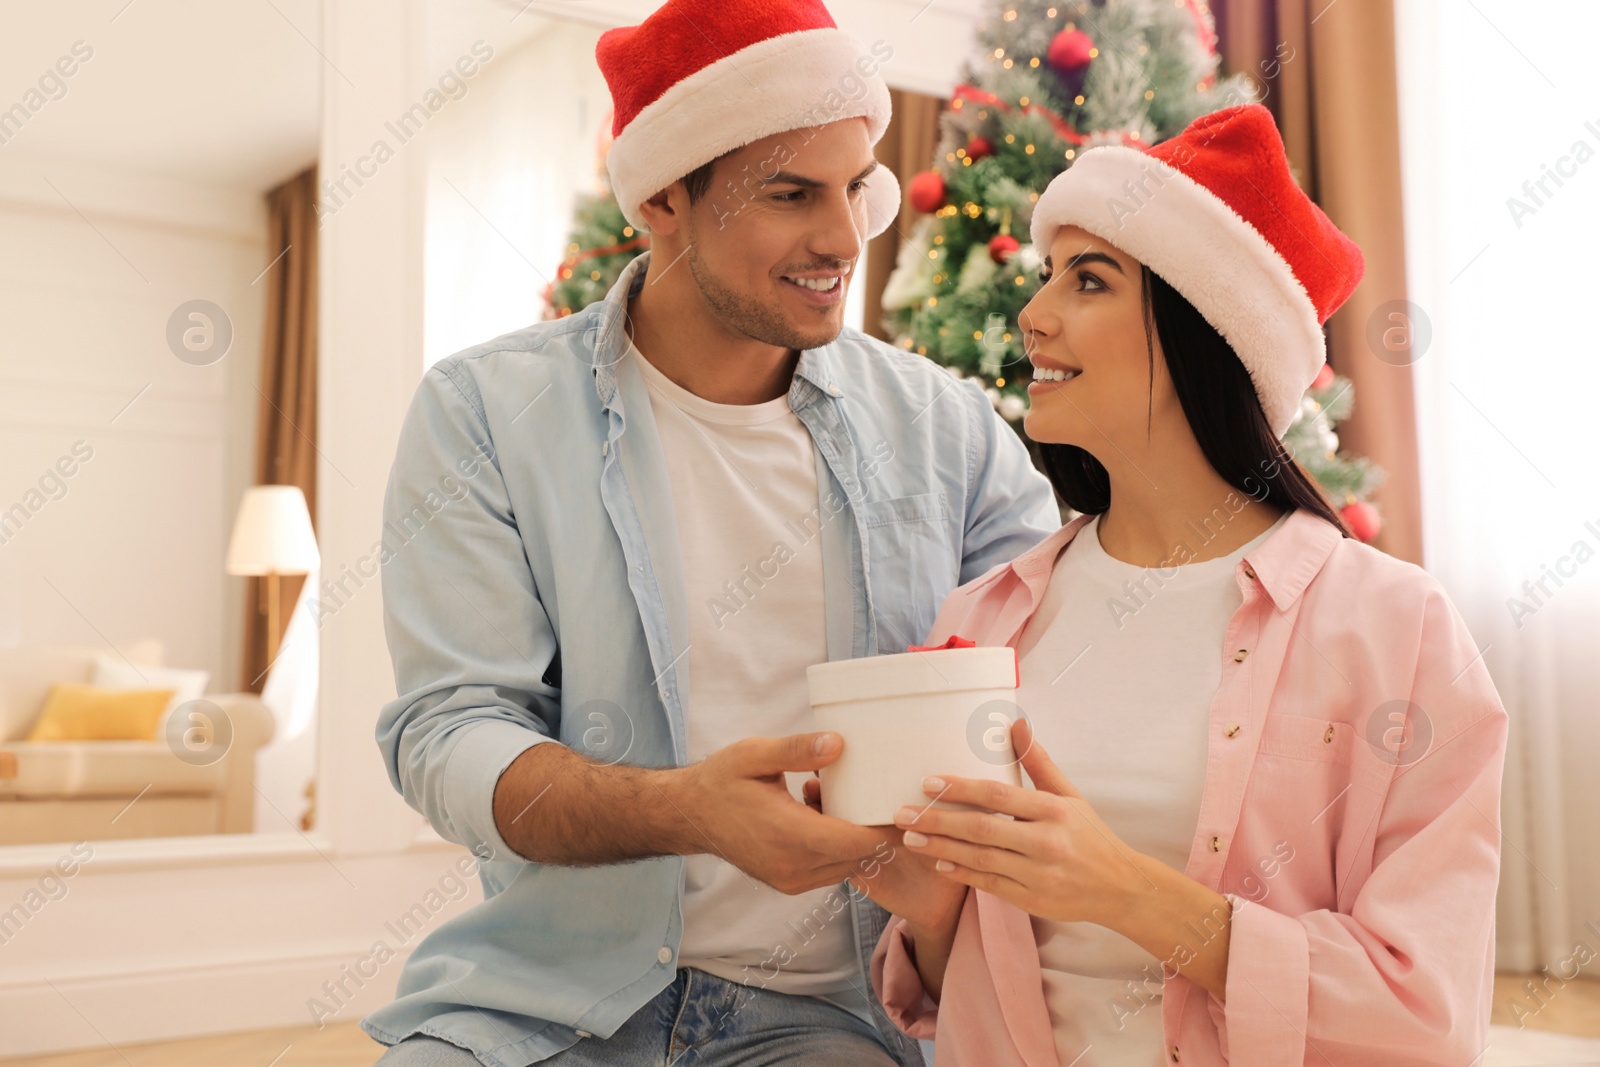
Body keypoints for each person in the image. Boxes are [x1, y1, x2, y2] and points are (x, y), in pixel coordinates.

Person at [362, 0, 1060, 1064]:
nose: (843, 237)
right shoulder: (484, 413)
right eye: (790, 194)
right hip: (543, 996)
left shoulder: (945, 430)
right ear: (658, 199)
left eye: (854, 187)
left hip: (836, 1011)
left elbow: (1051, 679)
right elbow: (450, 730)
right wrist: (689, 808)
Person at [859, 104, 1508, 1066]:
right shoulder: (984, 622)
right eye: (1047, 277)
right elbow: (960, 994)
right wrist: (927, 915)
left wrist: (1126, 890)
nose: (1032, 315)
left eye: (1090, 280)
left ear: (1205, 328)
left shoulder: (1396, 630)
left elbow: (1426, 1009)